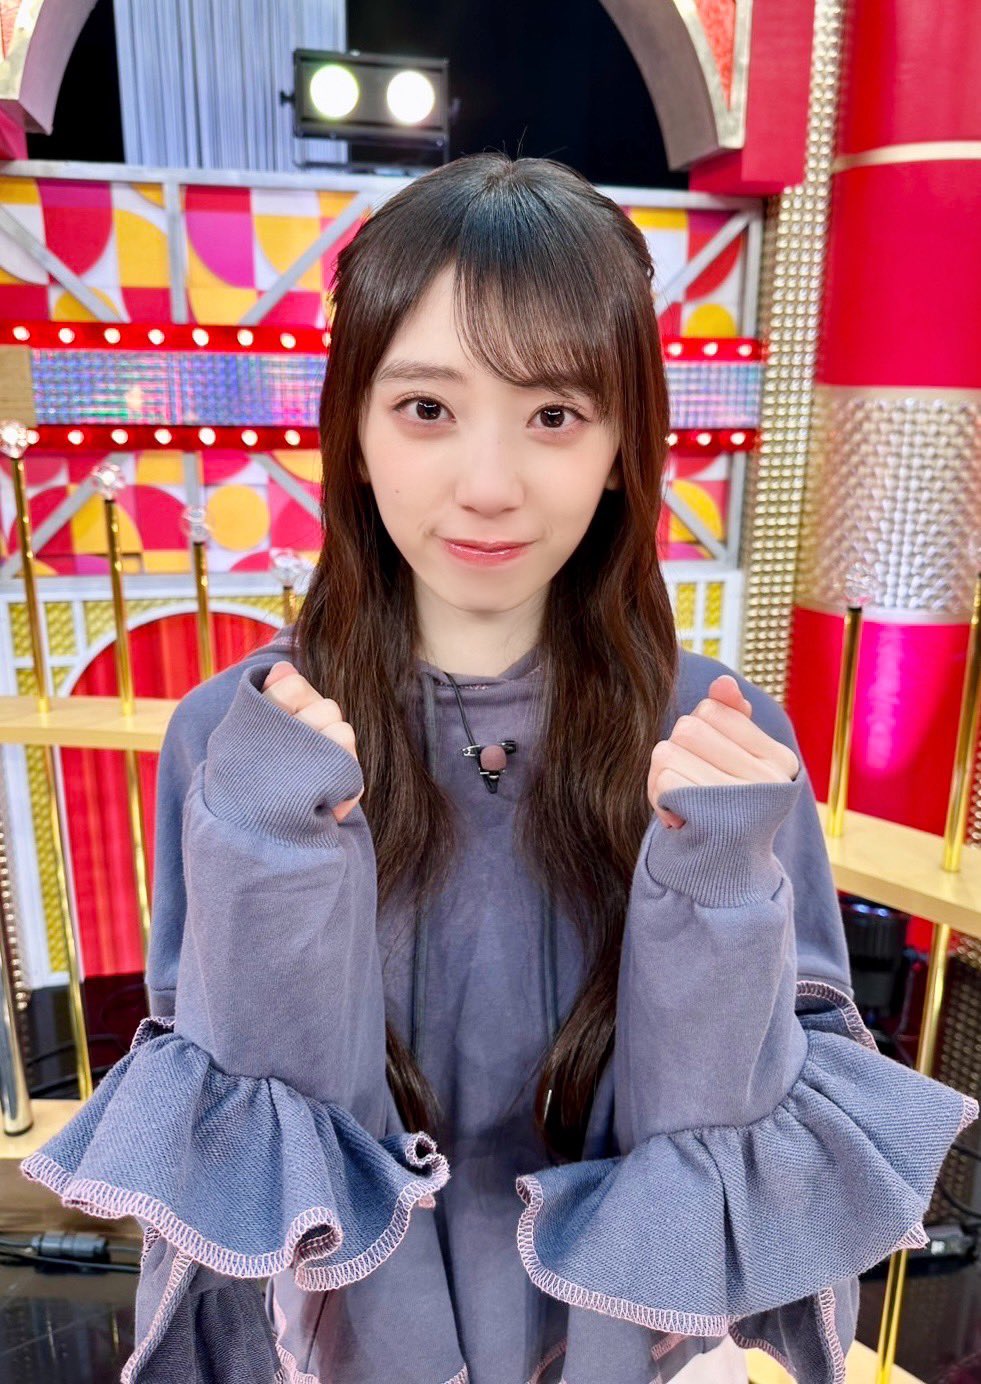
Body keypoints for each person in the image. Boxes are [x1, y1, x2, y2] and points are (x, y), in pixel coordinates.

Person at [21, 153, 977, 1384]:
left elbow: (738, 1149)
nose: (487, 486)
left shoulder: (721, 739)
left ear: (624, 444)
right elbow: (239, 1137)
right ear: (355, 431)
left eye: (554, 415)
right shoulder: (235, 735)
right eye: (427, 408)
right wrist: (274, 861)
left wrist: (717, 893)